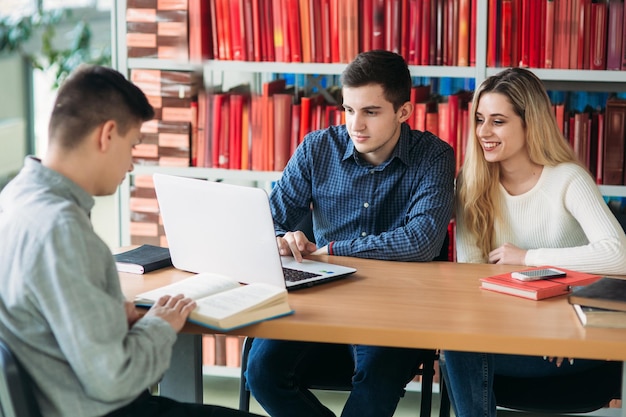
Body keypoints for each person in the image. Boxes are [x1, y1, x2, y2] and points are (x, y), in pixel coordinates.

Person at [0, 64, 263, 417]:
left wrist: (108, 321)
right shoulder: (62, 230)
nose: (131, 164)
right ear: (107, 135)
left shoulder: (14, 198)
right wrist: (159, 325)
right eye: (133, 145)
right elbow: (114, 379)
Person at [245, 50, 456, 417]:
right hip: (320, 296)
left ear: (403, 112)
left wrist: (329, 250)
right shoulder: (316, 148)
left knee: (376, 381)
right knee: (261, 373)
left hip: (397, 302)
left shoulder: (433, 156)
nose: (355, 125)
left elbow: (421, 241)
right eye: (348, 110)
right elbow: (268, 220)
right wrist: (282, 237)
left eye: (371, 112)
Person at [440, 67, 626, 417]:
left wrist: (527, 257)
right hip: (505, 331)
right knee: (456, 343)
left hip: (571, 340)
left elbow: (619, 256)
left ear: (530, 124)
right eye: (480, 119)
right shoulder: (472, 183)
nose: (483, 132)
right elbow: (471, 277)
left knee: (460, 350)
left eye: (498, 121)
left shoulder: (568, 179)